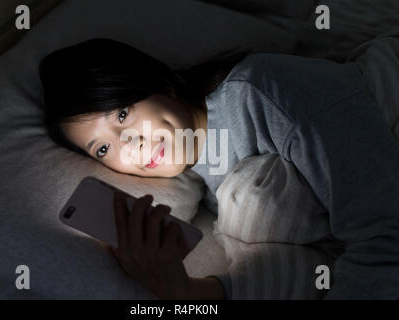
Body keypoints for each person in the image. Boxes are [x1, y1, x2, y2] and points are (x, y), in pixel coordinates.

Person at [39, 38, 399, 299]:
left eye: (121, 114)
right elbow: (290, 270)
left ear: (160, 84)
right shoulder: (209, 190)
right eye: (103, 148)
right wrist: (181, 292)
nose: (129, 145)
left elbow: (385, 231)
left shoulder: (261, 90)